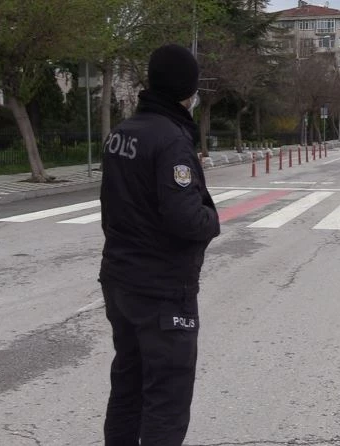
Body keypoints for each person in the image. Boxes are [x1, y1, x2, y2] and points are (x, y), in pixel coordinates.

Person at [98, 43, 220, 445]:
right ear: (187, 89)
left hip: (121, 281)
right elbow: (185, 217)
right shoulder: (171, 140)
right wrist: (212, 219)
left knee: (128, 385)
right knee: (166, 397)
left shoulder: (122, 133)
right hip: (163, 289)